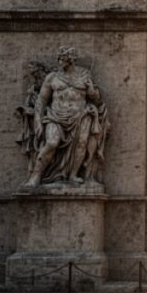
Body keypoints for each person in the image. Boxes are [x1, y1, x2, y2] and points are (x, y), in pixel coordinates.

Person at [23, 46, 110, 188]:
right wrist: (38, 120)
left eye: (62, 59)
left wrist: (92, 91)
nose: (59, 62)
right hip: (55, 116)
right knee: (51, 142)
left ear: (71, 60)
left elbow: (97, 100)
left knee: (82, 143)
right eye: (59, 59)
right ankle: (35, 176)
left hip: (80, 115)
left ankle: (73, 175)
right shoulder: (52, 77)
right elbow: (41, 100)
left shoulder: (84, 75)